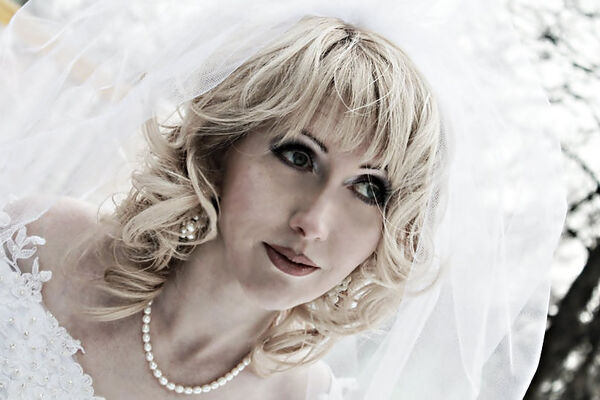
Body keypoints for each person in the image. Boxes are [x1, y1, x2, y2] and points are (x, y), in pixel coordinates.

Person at [0, 1, 566, 399]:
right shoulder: (39, 250)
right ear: (222, 146)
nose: (313, 222)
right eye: (298, 156)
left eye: (369, 188)